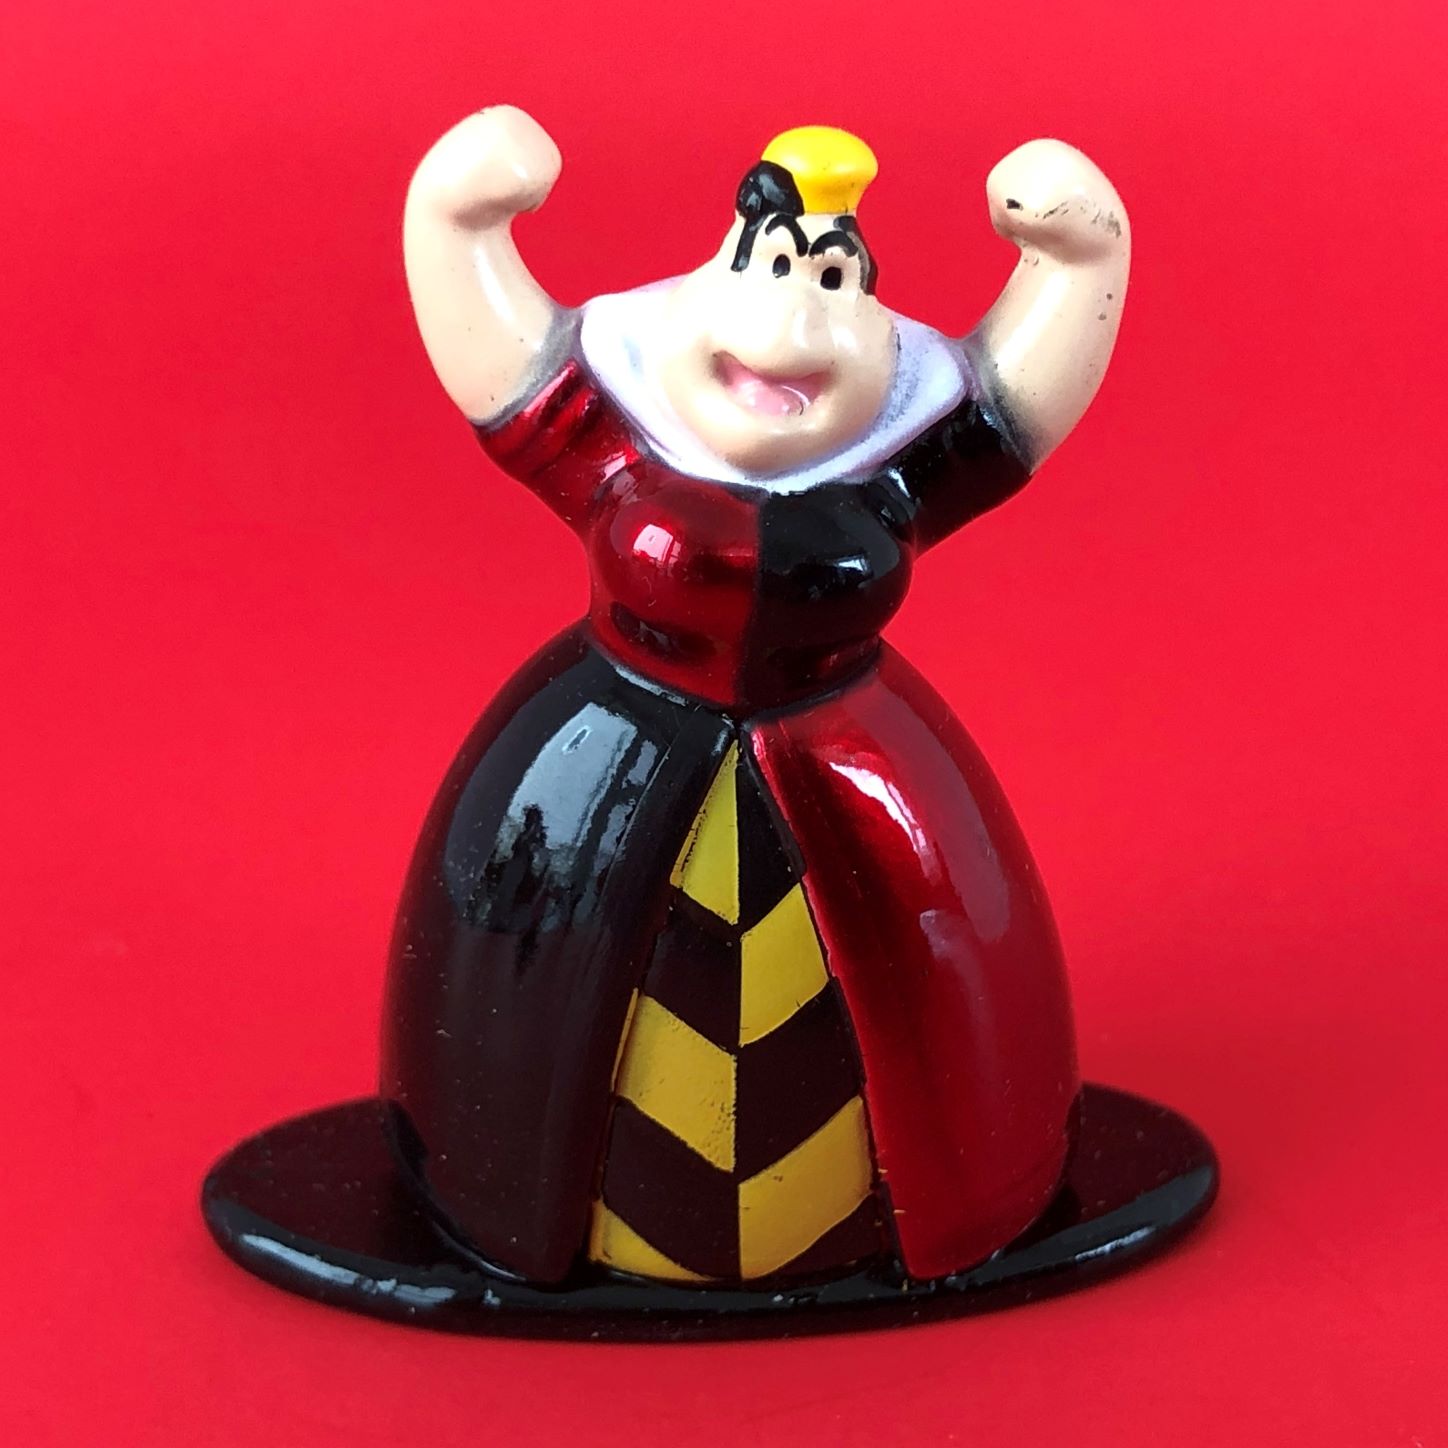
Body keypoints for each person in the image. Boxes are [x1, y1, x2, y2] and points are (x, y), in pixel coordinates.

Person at [384, 112, 1131, 1287]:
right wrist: (456, 213)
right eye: (774, 264)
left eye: (831, 280)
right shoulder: (621, 418)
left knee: (917, 984)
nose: (792, 326)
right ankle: (508, 1196)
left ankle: (944, 1195)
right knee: (543, 991)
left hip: (850, 764)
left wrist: (1081, 257)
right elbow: (498, 360)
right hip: (605, 760)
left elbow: (1018, 400)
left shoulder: (896, 452)